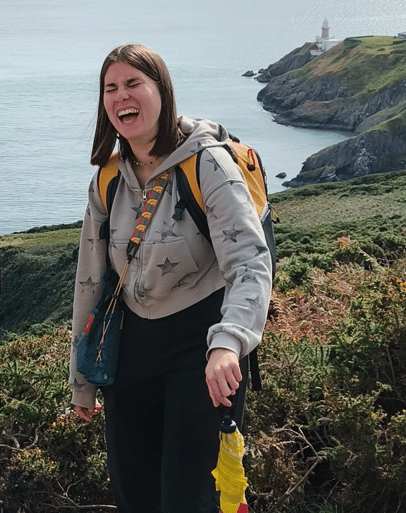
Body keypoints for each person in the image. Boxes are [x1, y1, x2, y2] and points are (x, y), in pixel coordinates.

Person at [68, 44, 272, 512]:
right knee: (134, 497)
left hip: (202, 348)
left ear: (162, 90)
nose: (121, 96)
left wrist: (229, 343)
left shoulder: (207, 163)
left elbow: (250, 261)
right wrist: (82, 377)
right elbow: (90, 281)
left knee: (191, 499)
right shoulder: (108, 178)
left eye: (133, 83)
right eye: (110, 88)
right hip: (130, 351)